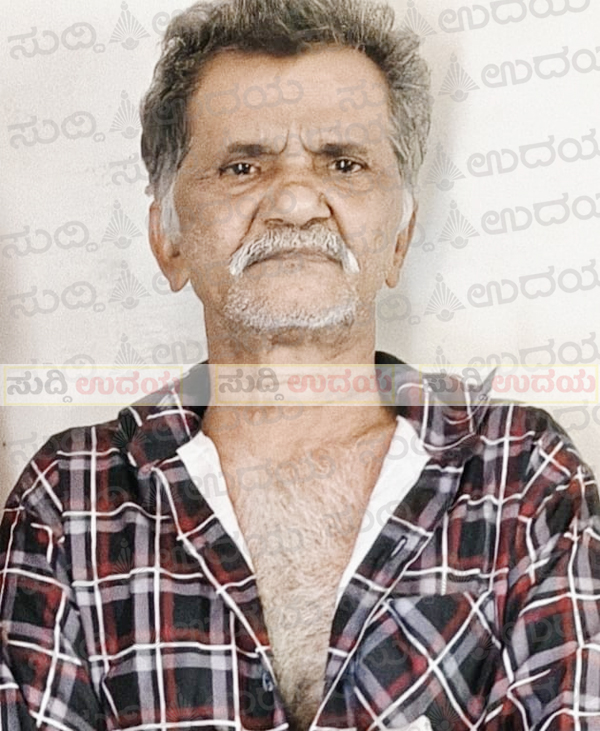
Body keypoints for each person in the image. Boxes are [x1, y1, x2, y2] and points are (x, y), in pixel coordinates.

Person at [1, 0, 599, 729]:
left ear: (400, 236)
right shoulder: (68, 504)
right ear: (168, 240)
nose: (293, 201)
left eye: (343, 163)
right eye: (242, 165)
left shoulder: (524, 480)